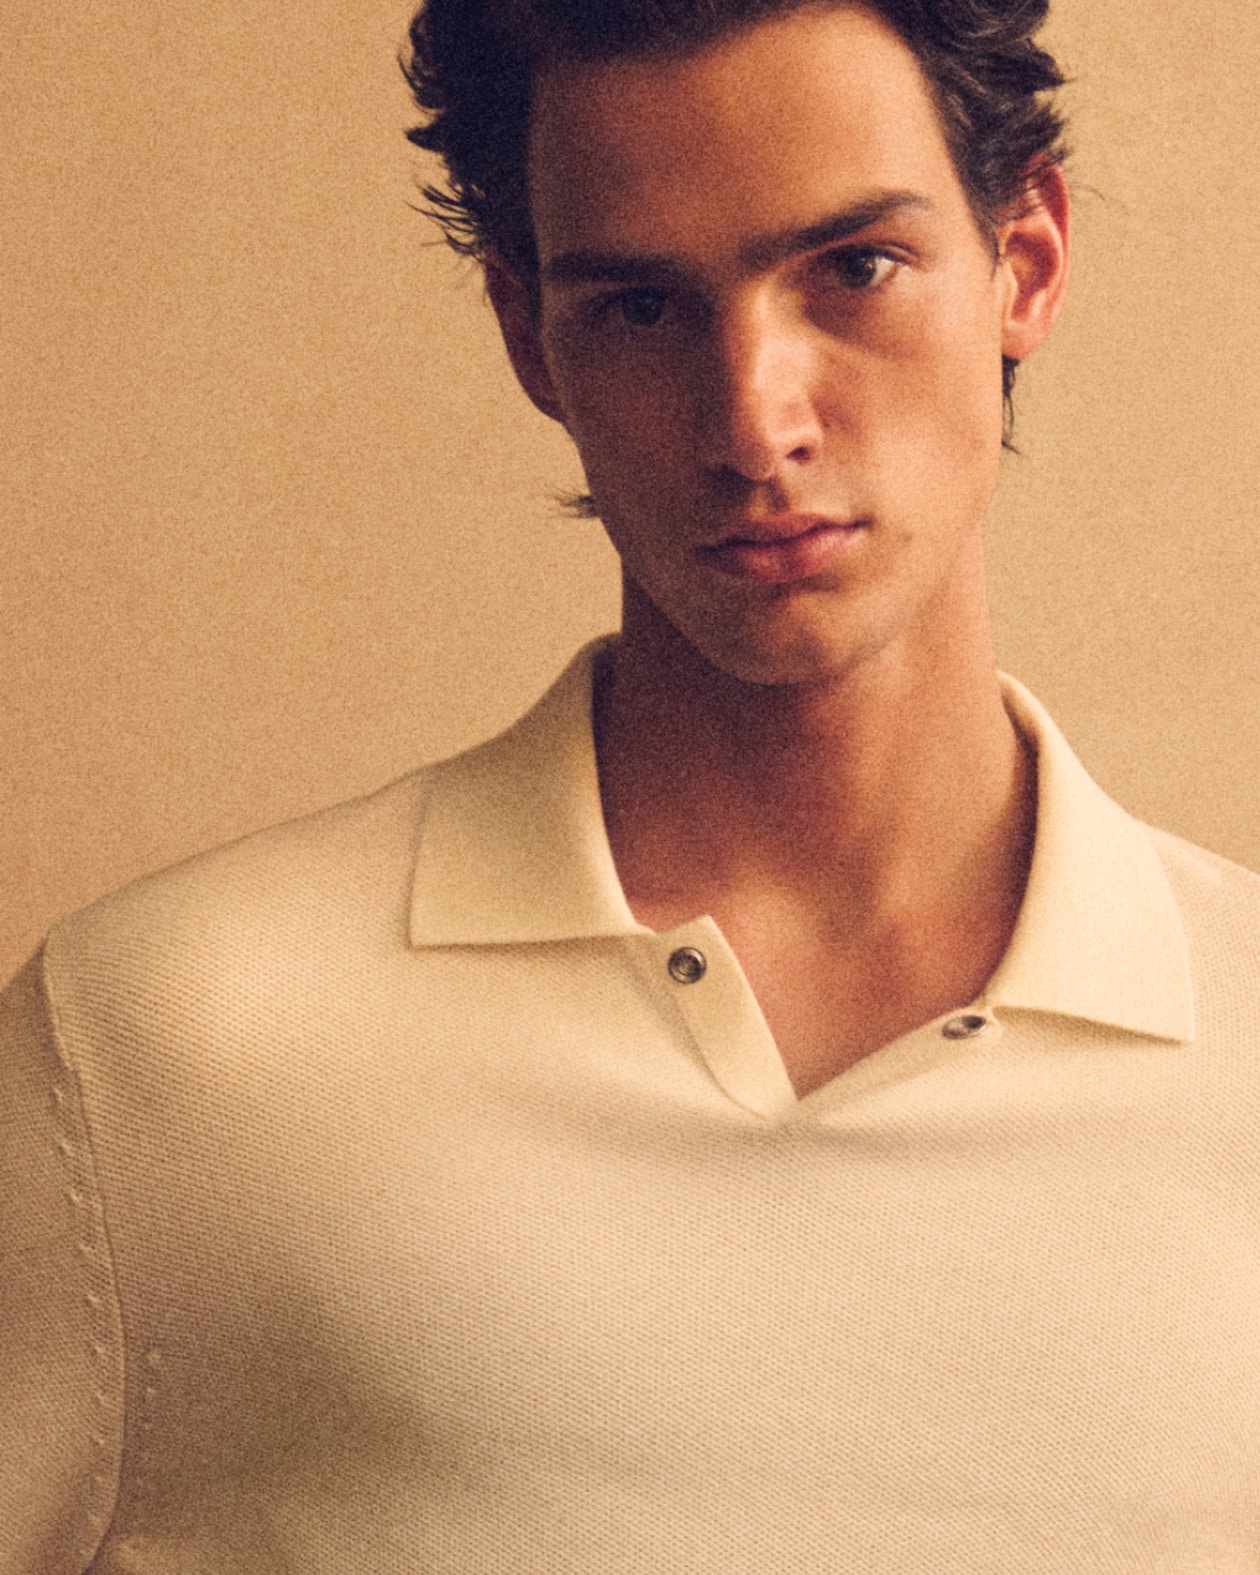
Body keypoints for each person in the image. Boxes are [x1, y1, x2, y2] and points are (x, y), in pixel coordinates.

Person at [4, 0, 1260, 1569]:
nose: (756, 422)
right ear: (528, 333)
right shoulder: (161, 1057)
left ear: (1028, 259)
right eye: (642, 308)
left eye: (855, 269)